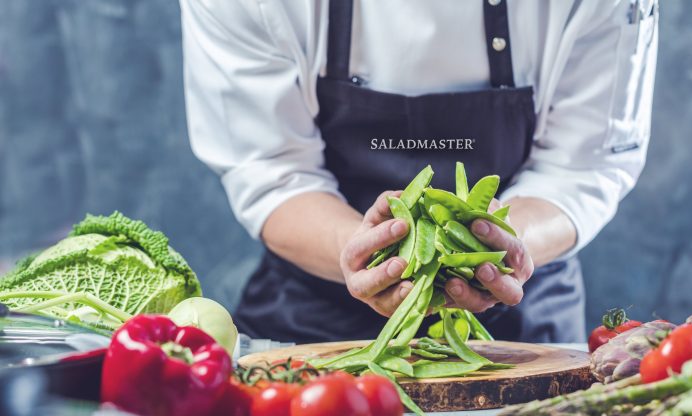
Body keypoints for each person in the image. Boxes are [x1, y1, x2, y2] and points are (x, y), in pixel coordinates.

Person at [180, 0, 658, 344]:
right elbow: (272, 169)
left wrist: (507, 242)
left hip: (518, 326)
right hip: (312, 328)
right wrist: (359, 251)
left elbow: (582, 166)